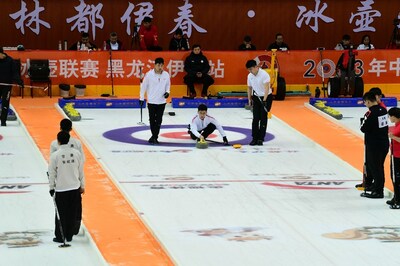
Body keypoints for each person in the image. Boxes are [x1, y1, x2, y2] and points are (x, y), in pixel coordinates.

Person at [50, 118, 85, 235]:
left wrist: (52, 185)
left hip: (61, 183)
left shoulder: (54, 144)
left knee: (62, 209)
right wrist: (82, 183)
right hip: (74, 180)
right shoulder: (77, 144)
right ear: (71, 129)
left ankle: (62, 232)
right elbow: (81, 163)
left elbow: (52, 165)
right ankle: (73, 229)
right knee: (75, 207)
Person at [360, 91, 389, 199]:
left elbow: (363, 128)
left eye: (365, 102)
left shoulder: (370, 113)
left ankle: (378, 191)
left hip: (373, 144)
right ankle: (376, 187)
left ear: (368, 101)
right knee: (379, 167)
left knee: (375, 168)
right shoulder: (383, 111)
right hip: (384, 142)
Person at [139, 57, 171, 144]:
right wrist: (141, 98)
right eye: (158, 65)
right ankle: (154, 136)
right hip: (152, 101)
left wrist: (167, 92)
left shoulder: (166, 75)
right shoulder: (149, 75)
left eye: (162, 65)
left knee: (159, 120)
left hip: (161, 101)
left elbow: (168, 85)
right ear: (155, 65)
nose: (160, 67)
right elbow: (143, 87)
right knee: (152, 119)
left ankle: (154, 136)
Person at [246, 59, 272, 146]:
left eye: (251, 69)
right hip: (256, 97)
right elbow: (249, 88)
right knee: (255, 118)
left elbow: (266, 88)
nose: (250, 71)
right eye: (248, 70)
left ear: (256, 67)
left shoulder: (264, 75)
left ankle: (261, 138)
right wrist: (249, 99)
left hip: (266, 97)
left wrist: (264, 100)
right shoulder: (250, 76)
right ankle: (254, 138)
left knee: (263, 118)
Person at [0, 47, 23, 127]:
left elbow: (15, 73)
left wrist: (19, 81)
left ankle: (3, 121)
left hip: (7, 86)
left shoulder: (10, 61)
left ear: (1, 53)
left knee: (5, 103)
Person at [387, 107, 400, 209]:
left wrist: (393, 137)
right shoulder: (396, 125)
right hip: (395, 154)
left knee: (397, 178)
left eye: (390, 116)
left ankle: (398, 199)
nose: (389, 118)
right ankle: (396, 196)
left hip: (399, 155)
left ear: (394, 116)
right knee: (394, 176)